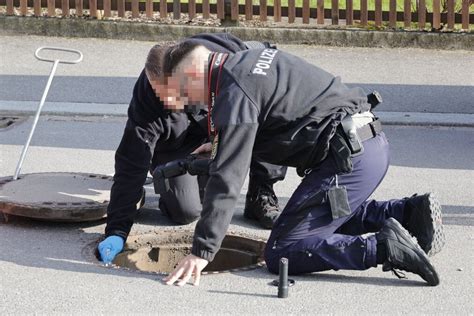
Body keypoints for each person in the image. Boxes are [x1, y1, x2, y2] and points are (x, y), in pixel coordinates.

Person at [153, 42, 445, 287]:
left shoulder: (234, 91)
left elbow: (228, 179)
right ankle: (409, 214)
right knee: (314, 216)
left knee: (282, 249)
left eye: (184, 92)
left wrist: (202, 250)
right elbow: (276, 122)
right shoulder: (248, 60)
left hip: (349, 160)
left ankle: (383, 249)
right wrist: (224, 145)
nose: (189, 102)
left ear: (192, 74)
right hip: (369, 144)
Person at [98, 33, 287, 264]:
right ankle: (146, 193)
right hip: (176, 146)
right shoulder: (148, 96)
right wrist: (117, 230)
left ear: (186, 75)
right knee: (186, 211)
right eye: (160, 95)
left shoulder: (226, 62)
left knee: (268, 119)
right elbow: (131, 158)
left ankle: (261, 193)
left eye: (171, 93)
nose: (167, 102)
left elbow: (271, 78)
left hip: (216, 131)